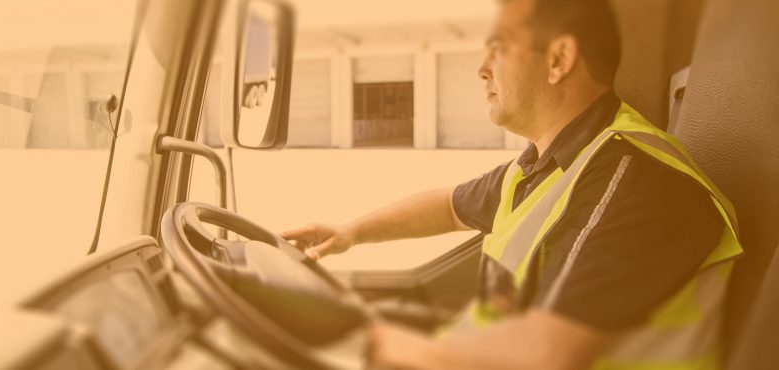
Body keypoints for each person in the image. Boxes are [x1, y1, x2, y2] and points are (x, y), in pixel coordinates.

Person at [280, 0, 743, 369]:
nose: (482, 68)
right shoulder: (541, 167)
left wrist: (380, 345)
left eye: (498, 48)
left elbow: (547, 355)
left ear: (559, 58)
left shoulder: (636, 176)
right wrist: (351, 233)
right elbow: (447, 205)